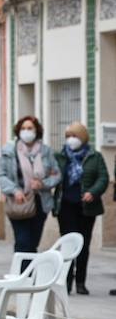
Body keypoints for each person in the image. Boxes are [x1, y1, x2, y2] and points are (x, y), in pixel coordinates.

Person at [0, 116, 60, 260]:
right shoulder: (9, 151)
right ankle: (22, 276)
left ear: (37, 131)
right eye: (23, 128)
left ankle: (28, 276)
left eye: (30, 128)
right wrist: (14, 190)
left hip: (40, 202)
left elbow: (56, 175)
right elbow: (1, 175)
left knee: (33, 243)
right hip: (18, 202)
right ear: (18, 131)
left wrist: (43, 184)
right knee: (22, 241)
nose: (26, 131)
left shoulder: (46, 151)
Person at [54, 122, 107, 295]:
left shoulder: (95, 157)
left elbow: (103, 177)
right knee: (68, 245)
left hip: (86, 208)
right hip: (65, 207)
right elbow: (52, 175)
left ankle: (81, 282)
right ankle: (66, 281)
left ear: (83, 137)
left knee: (83, 245)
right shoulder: (61, 156)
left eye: (74, 136)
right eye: (68, 136)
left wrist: (93, 191)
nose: (71, 140)